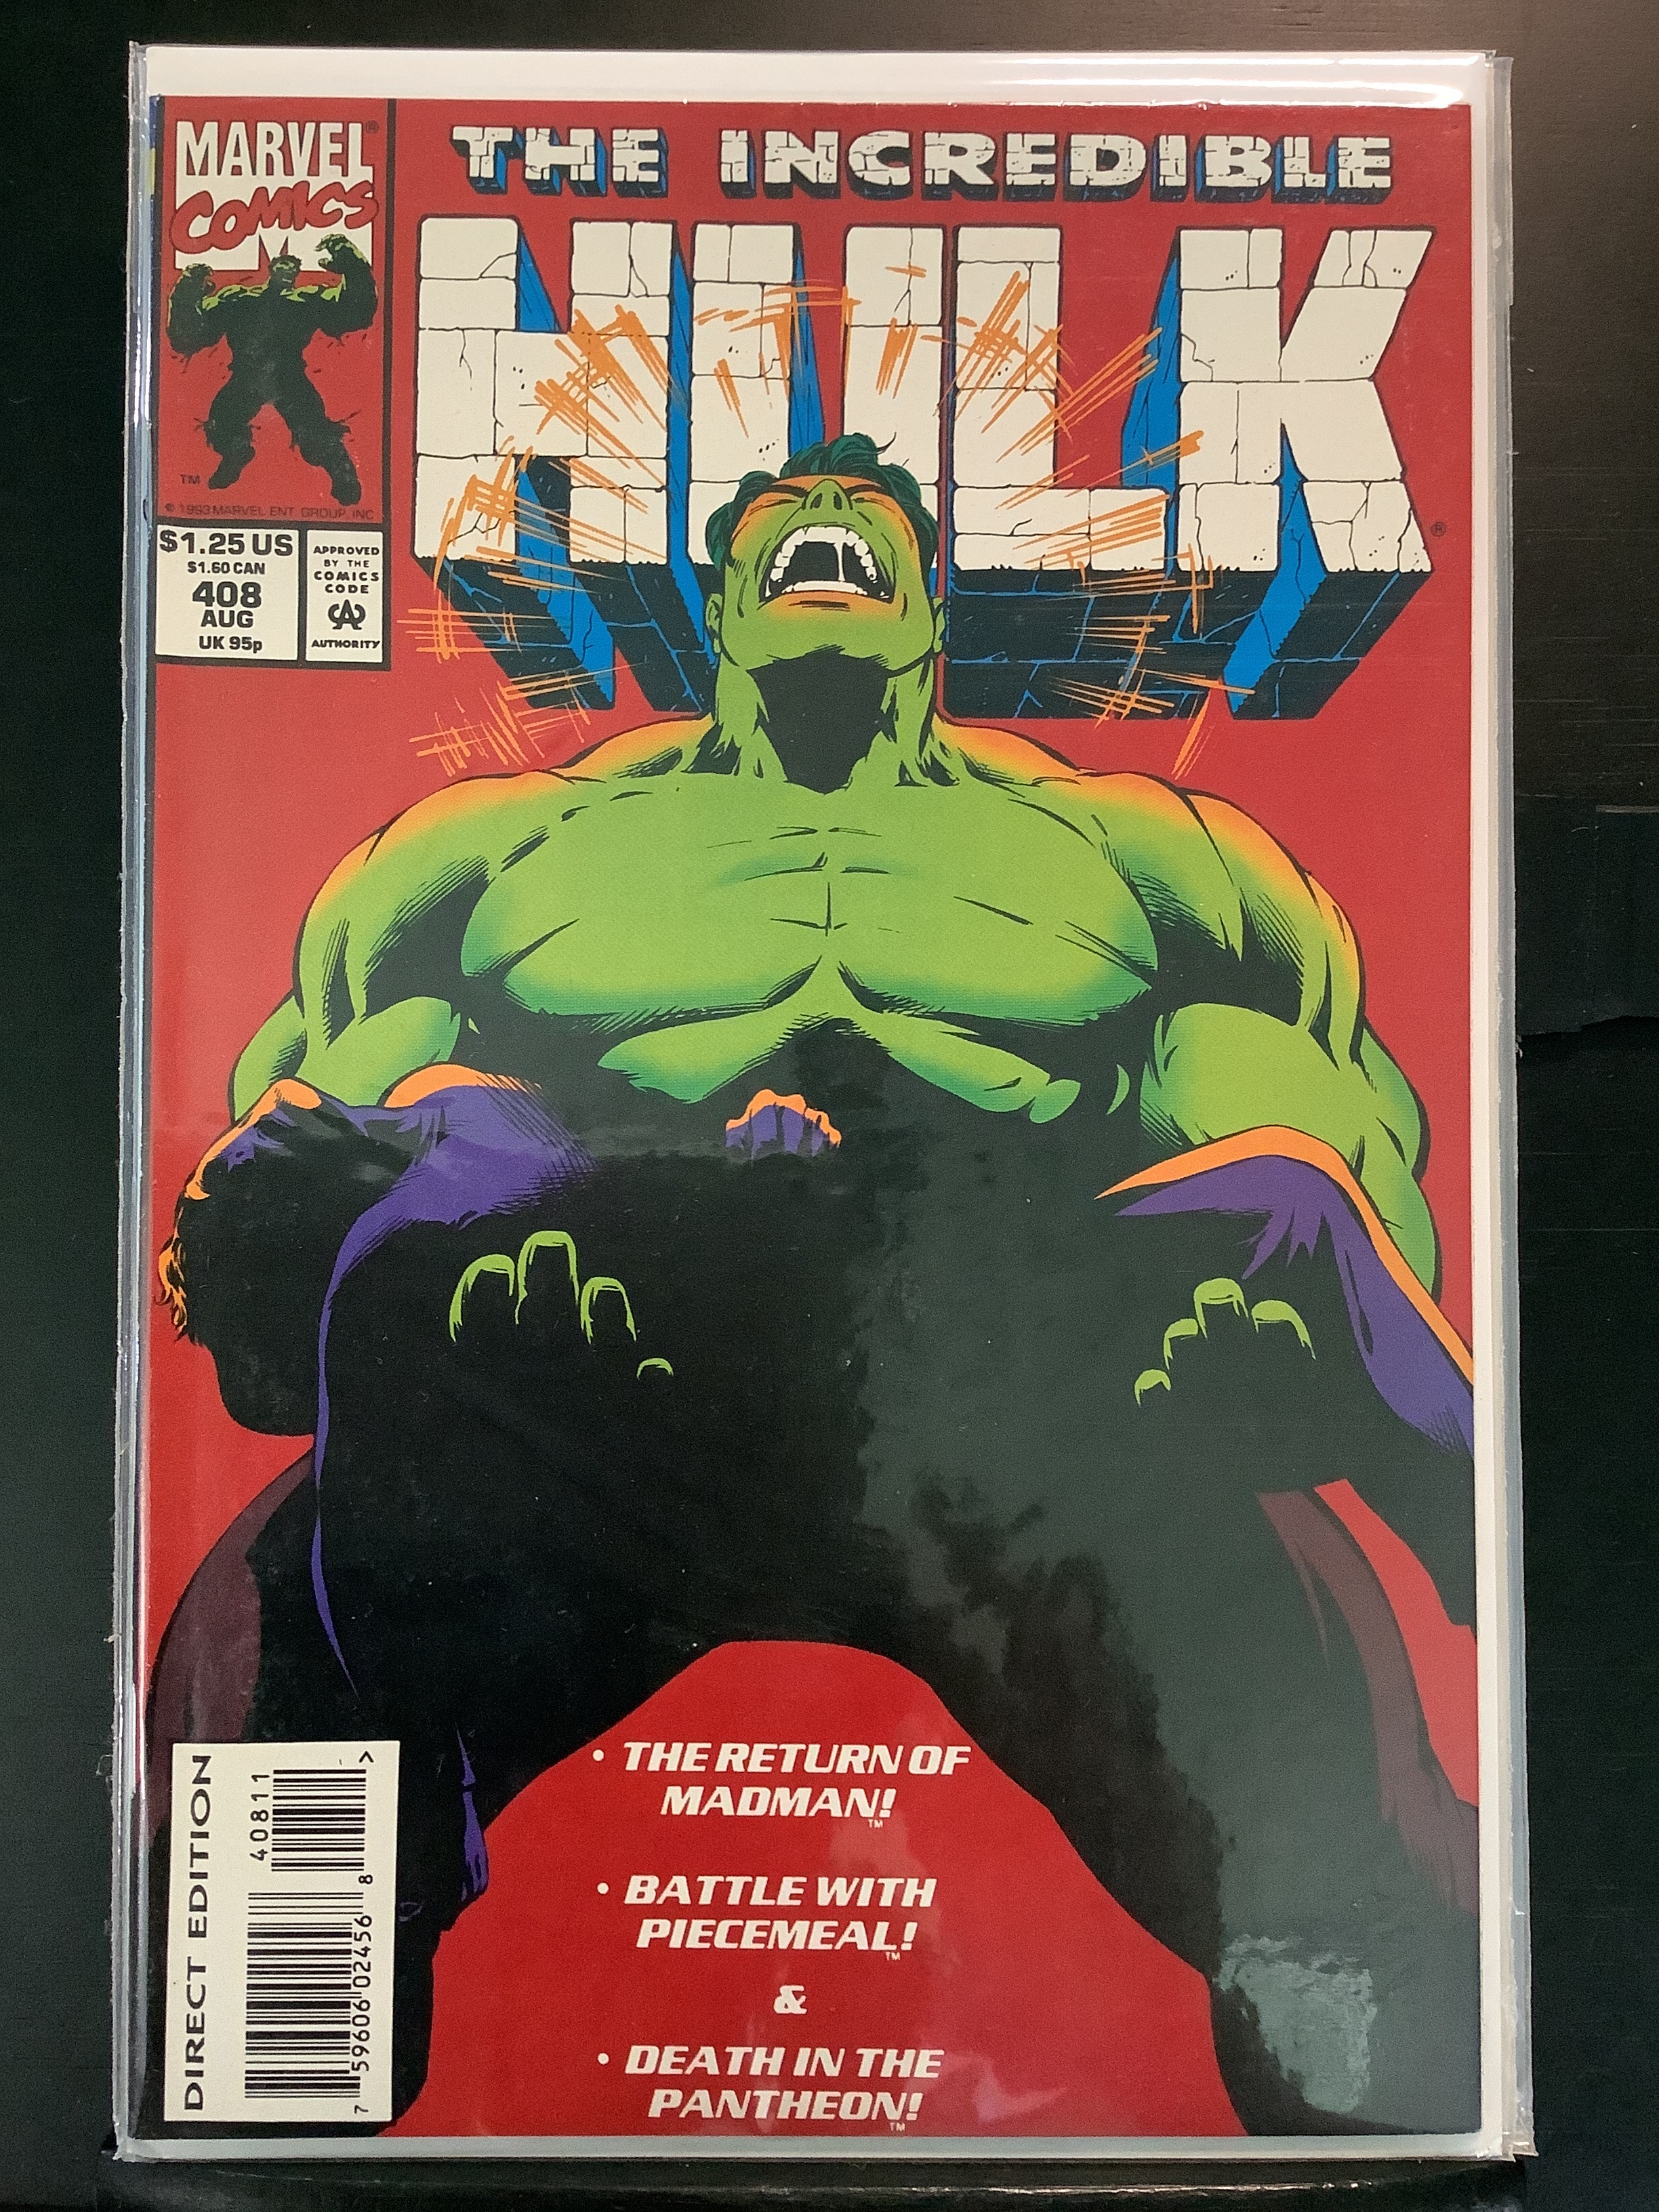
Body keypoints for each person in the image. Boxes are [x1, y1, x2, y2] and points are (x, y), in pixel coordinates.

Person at [151, 434, 1479, 2134]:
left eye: (877, 510)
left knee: (1372, 1994)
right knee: (242, 1920)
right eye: (786, 511)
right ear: (718, 605)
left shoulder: (1145, 861)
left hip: (1029, 1420)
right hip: (575, 1398)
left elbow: (1321, 1150)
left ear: (932, 604)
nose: (836, 499)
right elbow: (298, 1220)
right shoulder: (492, 855)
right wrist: (388, 1272)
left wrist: (1269, 1344)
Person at [167, 234, 375, 503]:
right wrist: (188, 291)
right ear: (272, 268)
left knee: (316, 432)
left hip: (289, 377)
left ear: (297, 273)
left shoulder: (307, 301)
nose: (288, 269)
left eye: (293, 266)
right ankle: (235, 455)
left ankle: (343, 475)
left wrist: (349, 260)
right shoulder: (240, 299)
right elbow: (190, 334)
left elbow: (355, 312)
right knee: (222, 423)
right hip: (246, 377)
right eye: (283, 264)